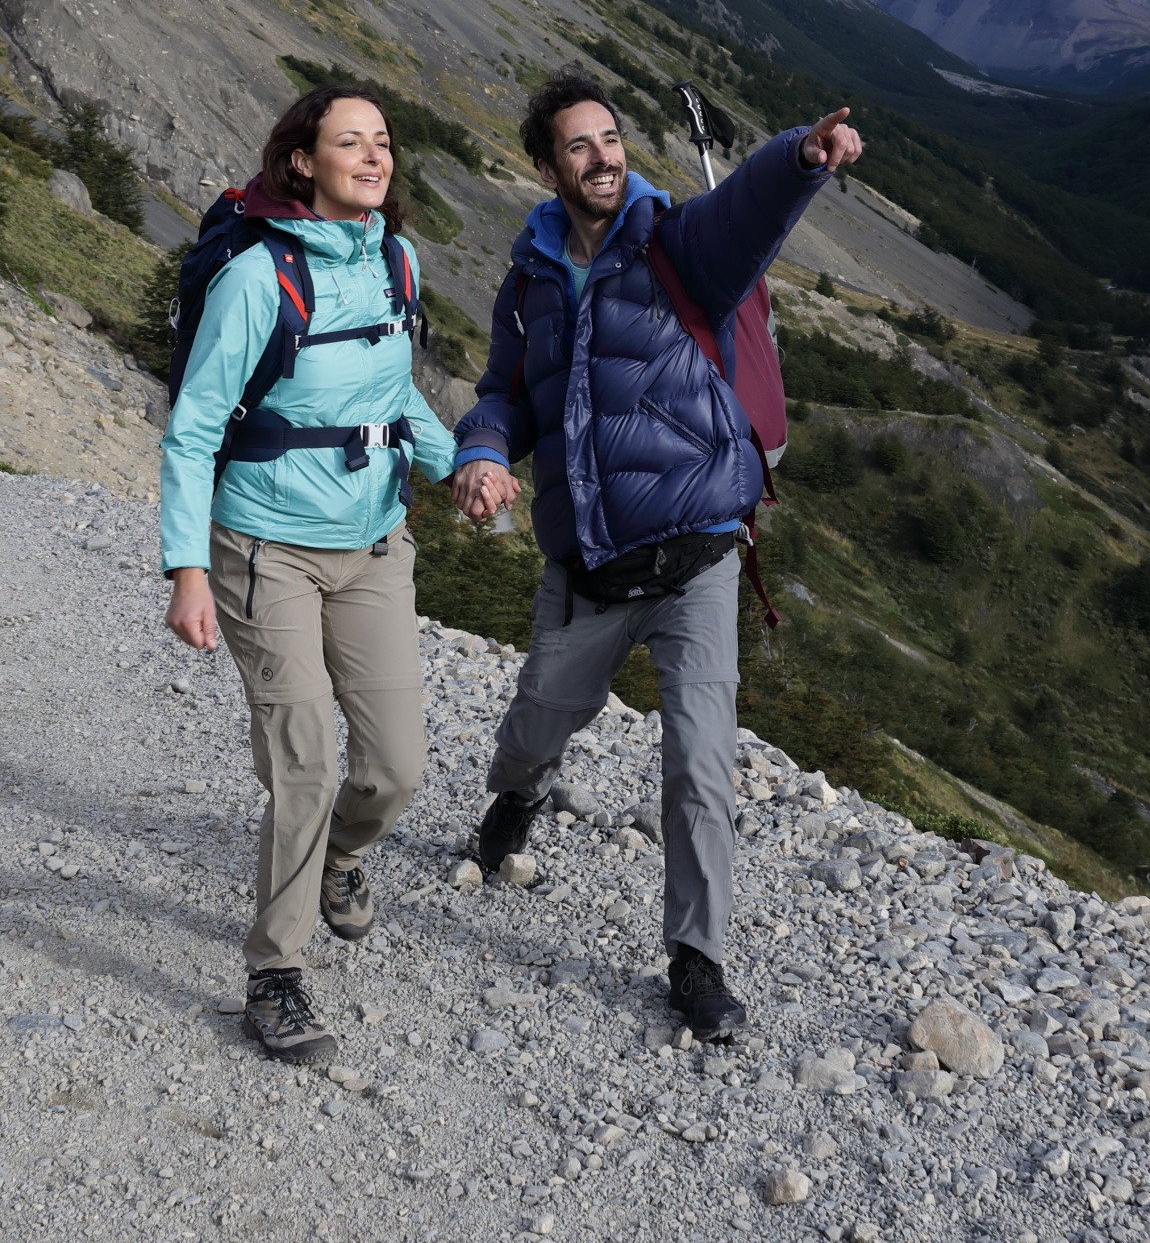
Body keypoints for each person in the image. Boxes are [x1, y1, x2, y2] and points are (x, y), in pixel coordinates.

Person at [447, 71, 862, 1040]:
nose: (604, 156)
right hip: (589, 561)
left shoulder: (675, 242)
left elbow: (745, 214)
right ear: (547, 165)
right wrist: (478, 449)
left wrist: (801, 154)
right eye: (580, 145)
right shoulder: (533, 278)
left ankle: (697, 957)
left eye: (612, 138)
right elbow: (506, 392)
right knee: (536, 718)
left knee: (701, 759)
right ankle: (515, 799)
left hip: (697, 553)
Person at [160, 84, 458, 1068]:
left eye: (383, 141)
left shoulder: (396, 260)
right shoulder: (257, 275)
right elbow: (196, 424)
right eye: (350, 142)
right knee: (303, 762)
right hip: (265, 550)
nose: (374, 157)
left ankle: (342, 853)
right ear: (302, 160)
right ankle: (274, 973)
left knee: (396, 767)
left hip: (374, 545)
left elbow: (393, 392)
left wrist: (465, 463)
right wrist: (187, 567)